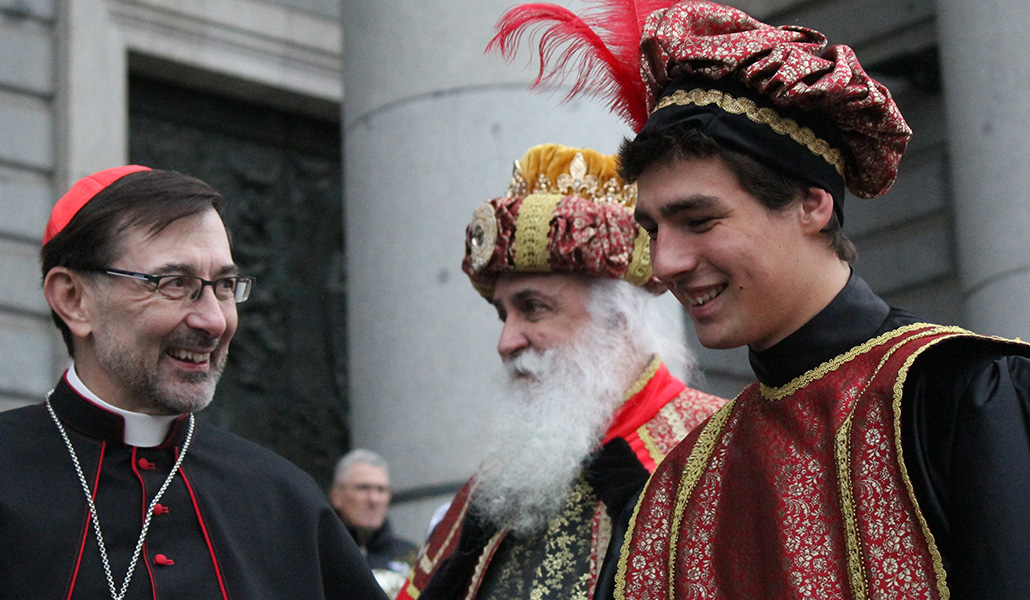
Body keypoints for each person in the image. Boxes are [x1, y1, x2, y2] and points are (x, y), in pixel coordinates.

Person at [489, 1, 1030, 598]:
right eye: (652, 230)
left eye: (697, 219)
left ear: (811, 203)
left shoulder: (964, 397)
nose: (664, 263)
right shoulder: (674, 485)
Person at [0, 166, 387, 600]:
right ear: (74, 300)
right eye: (175, 283)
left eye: (223, 286)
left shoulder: (284, 498)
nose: (214, 321)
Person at [397, 143, 726, 600]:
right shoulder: (500, 484)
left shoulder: (719, 453)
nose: (506, 342)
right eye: (502, 315)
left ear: (618, 319)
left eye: (532, 308)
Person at [330, 448, 418, 596]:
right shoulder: (318, 553)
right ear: (337, 495)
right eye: (363, 488)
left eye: (381, 490)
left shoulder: (413, 557)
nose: (374, 499)